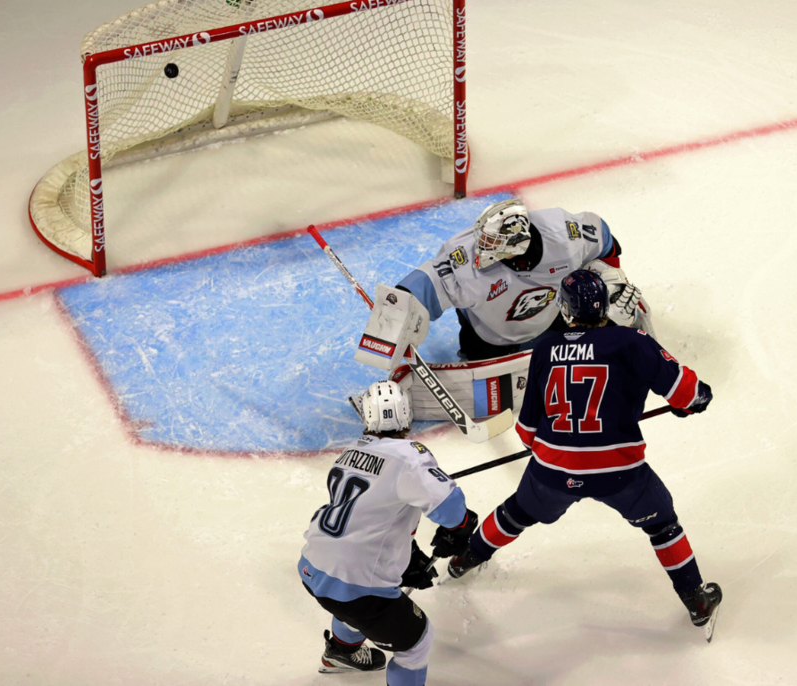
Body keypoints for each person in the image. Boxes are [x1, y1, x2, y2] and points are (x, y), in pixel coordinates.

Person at [441, 270, 722, 638]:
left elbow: (526, 430)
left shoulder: (546, 346)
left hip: (553, 471)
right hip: (620, 473)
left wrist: (560, 452)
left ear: (565, 308)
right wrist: (696, 401)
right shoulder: (631, 340)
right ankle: (696, 600)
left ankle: (465, 560)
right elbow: (687, 393)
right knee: (662, 525)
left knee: (516, 512)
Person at [298, 380, 479, 684]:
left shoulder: (349, 452)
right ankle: (344, 649)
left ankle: (341, 652)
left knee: (351, 609)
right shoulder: (410, 456)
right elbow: (452, 511)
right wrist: (460, 529)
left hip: (311, 566)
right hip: (357, 584)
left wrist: (405, 558)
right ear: (407, 413)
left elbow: (367, 516)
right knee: (417, 644)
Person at [394, 198, 655, 361]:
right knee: (481, 361)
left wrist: (611, 288)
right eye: (483, 240)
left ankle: (626, 329)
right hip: (488, 335)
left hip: (553, 315)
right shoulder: (464, 260)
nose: (481, 249)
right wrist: (396, 315)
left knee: (611, 303)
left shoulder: (564, 236)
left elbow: (607, 246)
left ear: (517, 244)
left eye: (492, 243)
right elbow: (420, 288)